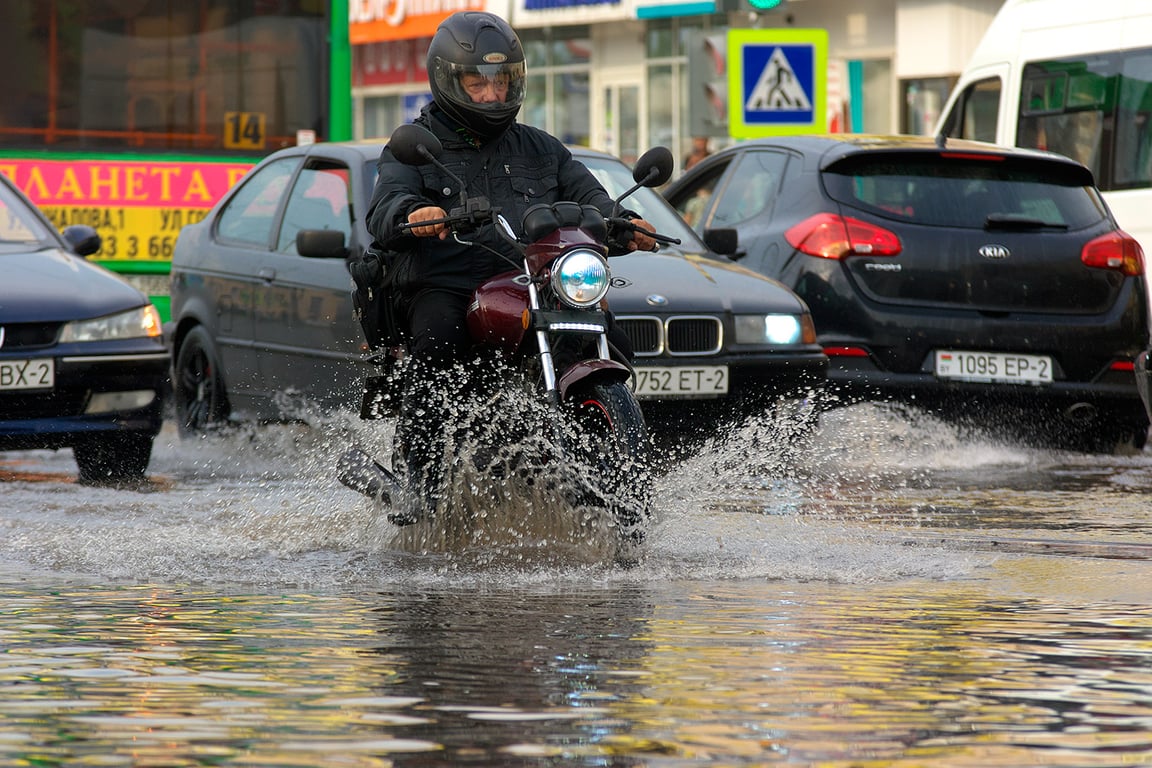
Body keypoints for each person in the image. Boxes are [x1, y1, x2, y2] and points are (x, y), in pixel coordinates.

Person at [364, 10, 656, 523]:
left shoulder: (541, 147)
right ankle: (419, 481)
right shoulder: (415, 144)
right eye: (477, 82)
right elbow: (385, 207)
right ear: (449, 79)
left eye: (501, 82)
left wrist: (624, 221)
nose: (491, 95)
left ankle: (611, 457)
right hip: (451, 280)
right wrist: (416, 214)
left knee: (606, 329)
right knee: (437, 340)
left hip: (533, 281)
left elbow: (589, 196)